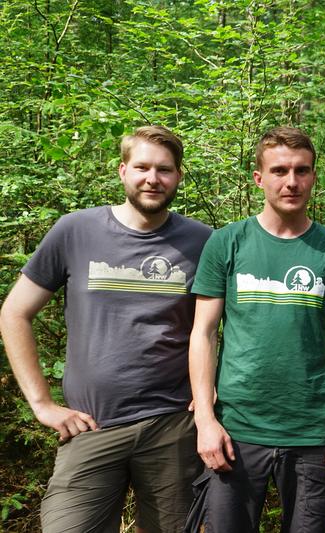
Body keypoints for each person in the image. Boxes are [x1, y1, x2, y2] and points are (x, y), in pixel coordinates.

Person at [0, 126, 212, 532]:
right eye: (142, 167)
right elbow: (14, 313)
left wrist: (212, 393)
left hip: (172, 427)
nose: (153, 178)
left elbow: (221, 324)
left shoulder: (202, 241)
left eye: (164, 169)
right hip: (91, 425)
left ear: (179, 176)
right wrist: (42, 404)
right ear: (122, 171)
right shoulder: (75, 231)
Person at [188, 126, 325, 532]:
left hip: (312, 431)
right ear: (259, 178)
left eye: (302, 171)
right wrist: (205, 420)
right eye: (280, 170)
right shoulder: (227, 242)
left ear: (313, 176)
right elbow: (203, 333)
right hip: (236, 428)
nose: (291, 182)